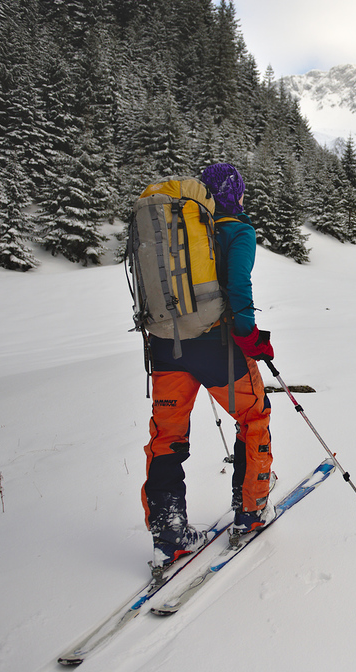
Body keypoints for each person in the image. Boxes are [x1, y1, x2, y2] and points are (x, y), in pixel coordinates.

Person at [142, 162, 277, 569]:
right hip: (218, 348)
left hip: (165, 346)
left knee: (166, 437)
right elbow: (238, 286)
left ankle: (169, 533)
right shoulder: (237, 230)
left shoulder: (175, 228)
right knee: (253, 417)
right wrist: (251, 337)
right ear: (235, 194)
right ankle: (250, 510)